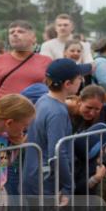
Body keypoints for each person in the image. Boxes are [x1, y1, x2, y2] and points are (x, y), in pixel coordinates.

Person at [22, 59, 89, 203]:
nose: (81, 81)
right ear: (67, 84)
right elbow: (57, 153)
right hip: (47, 183)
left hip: (34, 176)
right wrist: (67, 186)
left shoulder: (43, 100)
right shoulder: (57, 112)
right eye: (79, 78)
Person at [0, 21, 52, 112]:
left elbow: (54, 94)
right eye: (11, 32)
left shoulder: (47, 62)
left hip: (34, 118)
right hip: (1, 119)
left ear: (33, 38)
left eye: (20, 31)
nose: (15, 34)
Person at [67, 85, 106, 198]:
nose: (92, 113)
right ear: (80, 101)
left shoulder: (93, 119)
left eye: (97, 109)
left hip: (82, 171)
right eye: (88, 107)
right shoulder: (65, 115)